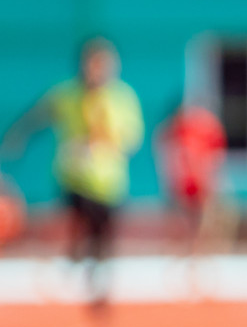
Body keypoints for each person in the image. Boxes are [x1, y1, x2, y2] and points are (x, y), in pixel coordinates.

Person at [1, 39, 144, 311]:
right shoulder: (66, 94)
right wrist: (17, 137)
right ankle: (76, 257)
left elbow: (132, 137)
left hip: (109, 181)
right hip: (74, 177)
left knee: (103, 235)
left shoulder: (122, 98)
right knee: (80, 219)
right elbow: (39, 115)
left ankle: (97, 283)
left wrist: (106, 140)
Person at [156, 103, 228, 258]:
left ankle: (201, 254)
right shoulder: (176, 132)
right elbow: (168, 154)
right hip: (184, 185)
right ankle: (182, 254)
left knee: (206, 222)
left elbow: (214, 157)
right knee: (183, 223)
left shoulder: (204, 129)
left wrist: (211, 179)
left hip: (201, 184)